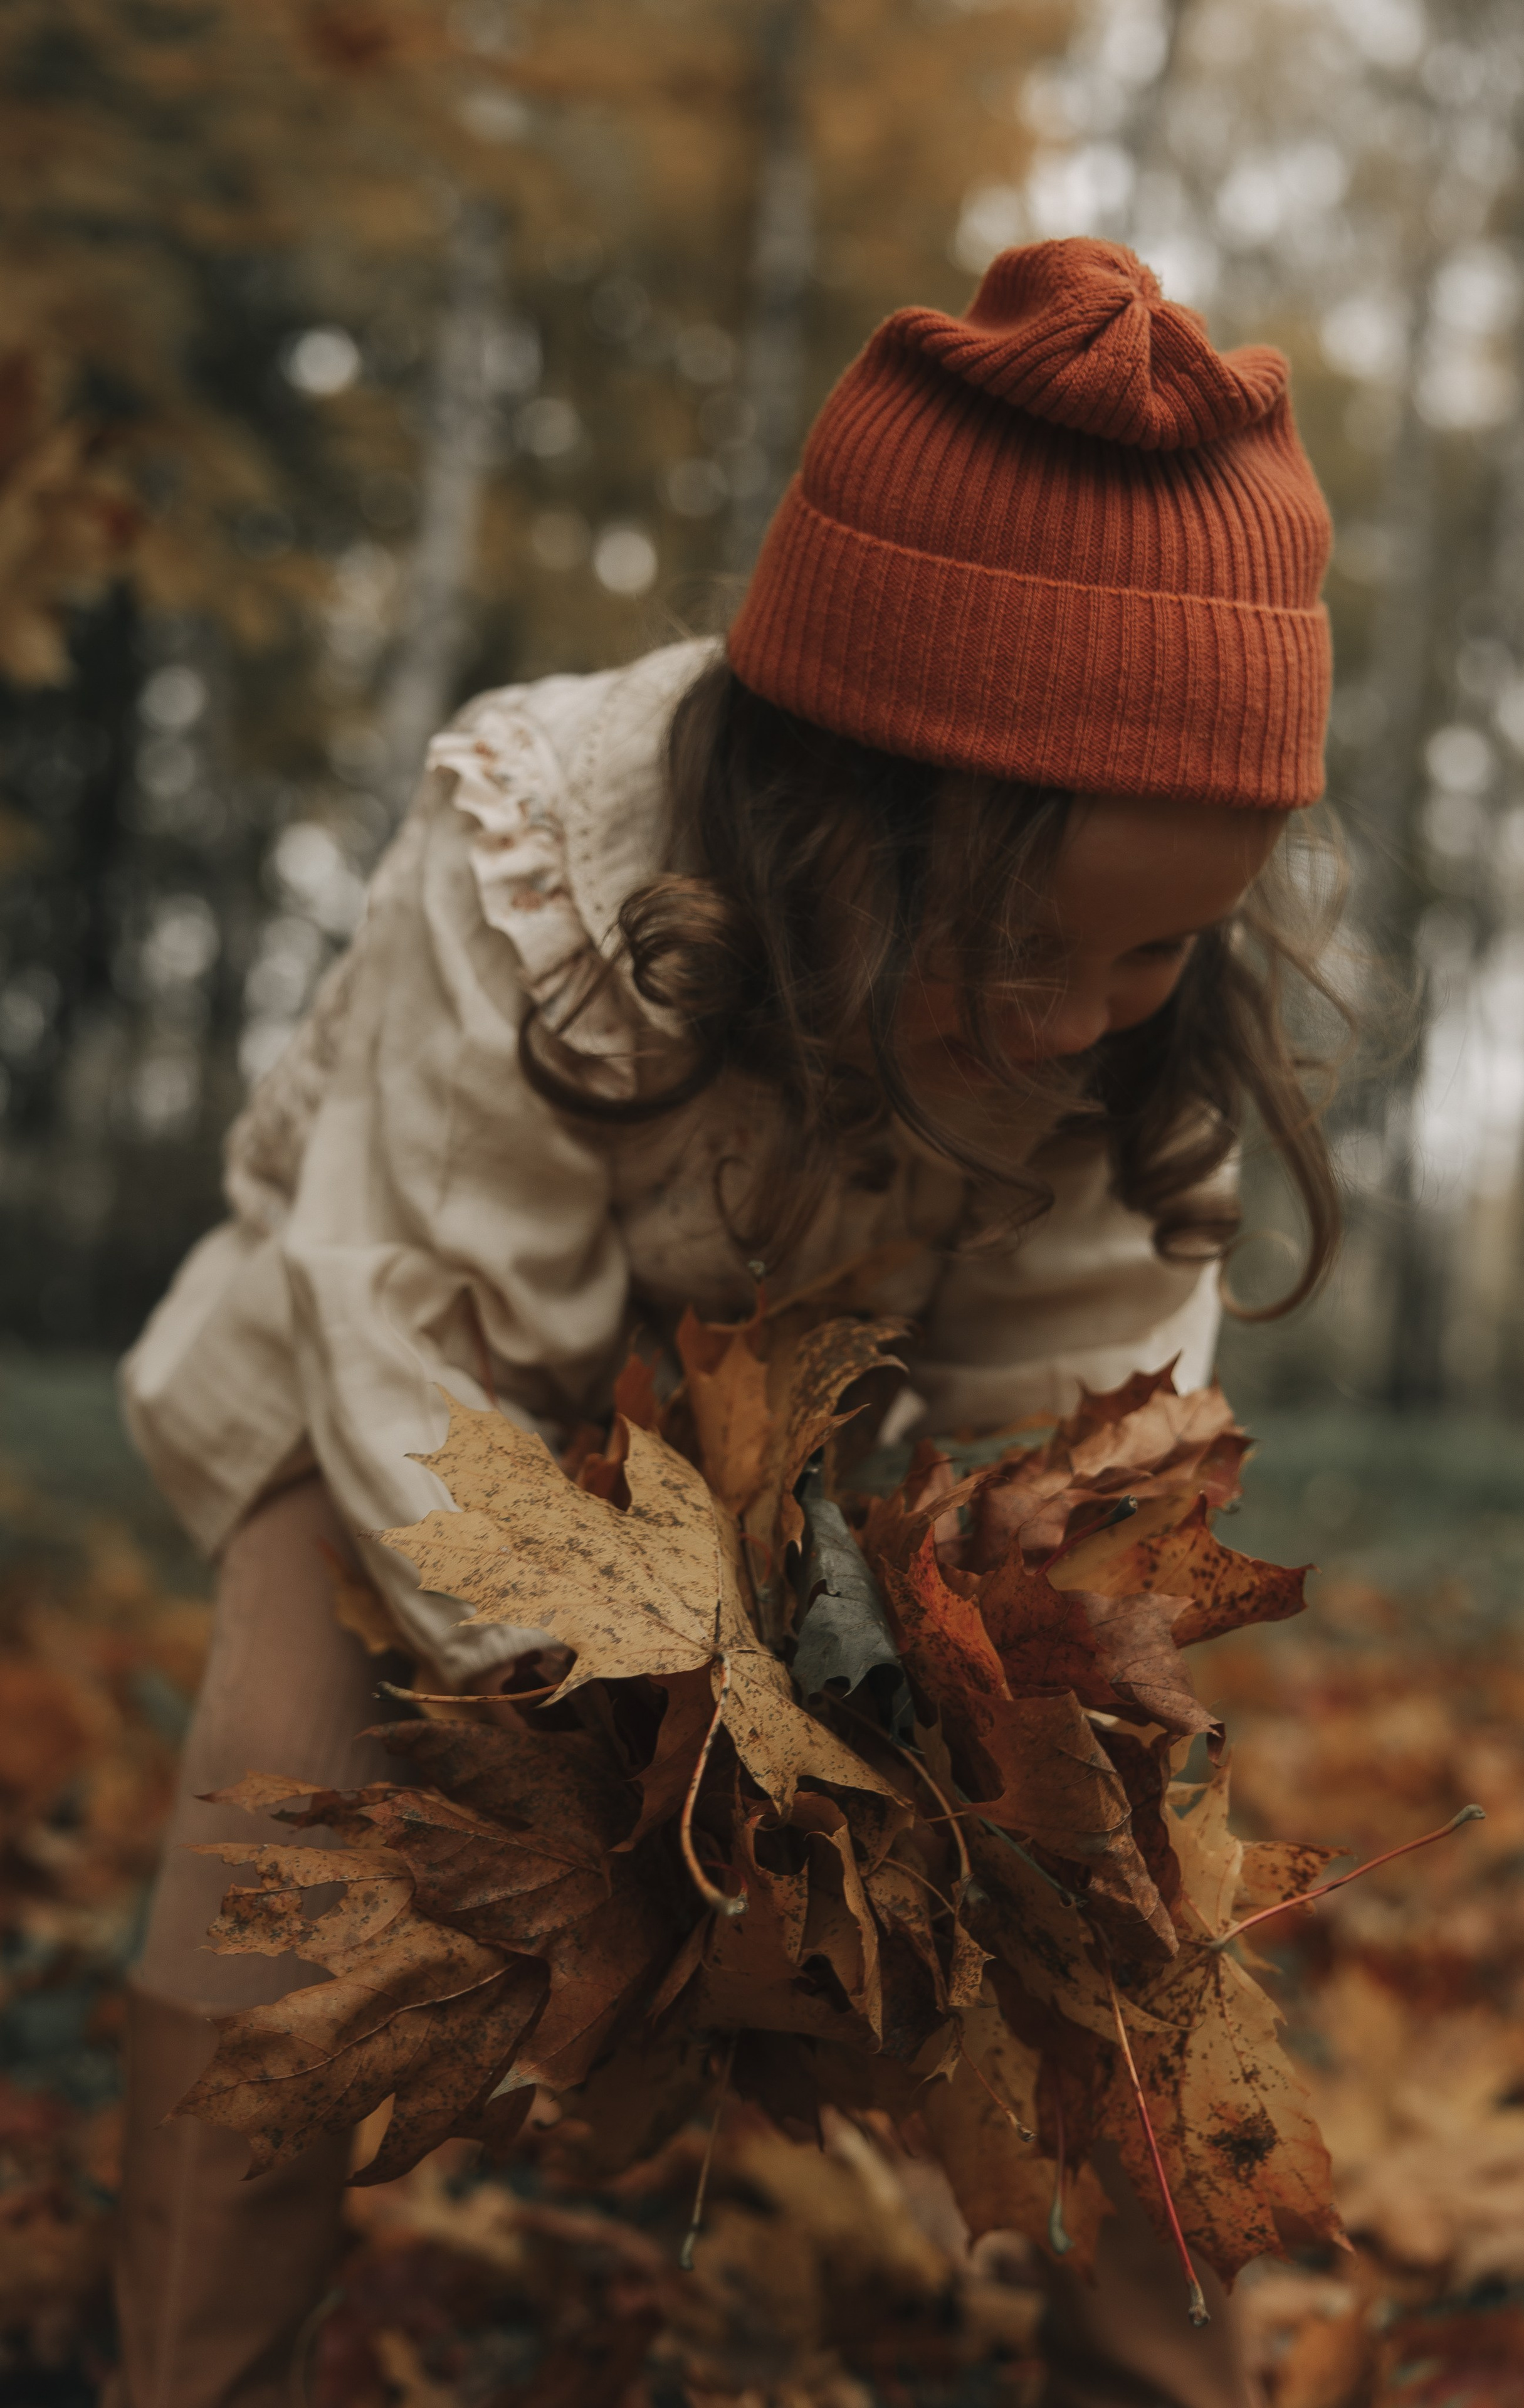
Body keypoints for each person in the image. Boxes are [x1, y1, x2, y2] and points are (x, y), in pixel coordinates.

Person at [110, 236, 1341, 2408]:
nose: (1076, 1017)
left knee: (1128, 1899)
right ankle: (197, 2357)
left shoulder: (1123, 1068)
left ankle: (1169, 2366)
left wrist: (981, 1681)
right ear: (829, 814)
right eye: (1025, 940)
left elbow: (1068, 1423)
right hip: (417, 1426)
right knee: (276, 1852)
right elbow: (402, 1319)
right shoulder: (541, 869)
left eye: (1154, 958)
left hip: (809, 1512)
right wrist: (655, 1731)